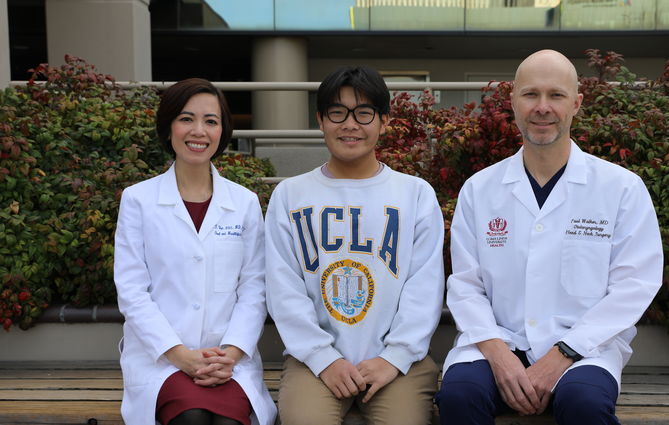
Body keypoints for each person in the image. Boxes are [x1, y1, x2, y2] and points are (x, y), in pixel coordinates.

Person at [435, 50, 664, 425]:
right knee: (459, 397)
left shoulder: (621, 188)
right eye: (531, 94)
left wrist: (563, 353)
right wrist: (498, 354)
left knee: (584, 405)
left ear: (576, 103)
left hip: (584, 351)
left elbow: (634, 284)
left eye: (556, 95)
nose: (543, 107)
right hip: (496, 344)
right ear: (512, 100)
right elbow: (465, 286)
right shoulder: (480, 190)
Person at [264, 65, 445, 425]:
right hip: (314, 362)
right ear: (320, 120)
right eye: (337, 112)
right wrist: (322, 358)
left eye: (364, 113)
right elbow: (283, 288)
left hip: (398, 362)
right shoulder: (290, 195)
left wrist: (394, 357)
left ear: (384, 122)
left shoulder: (415, 194)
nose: (350, 124)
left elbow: (424, 287)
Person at [114, 78, 276, 425]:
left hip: (227, 358)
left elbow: (254, 289)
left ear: (222, 132)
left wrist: (230, 355)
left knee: (229, 422)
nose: (198, 131)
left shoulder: (244, 203)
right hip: (161, 359)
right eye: (186, 119)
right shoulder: (138, 200)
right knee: (192, 418)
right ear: (168, 126)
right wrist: (181, 356)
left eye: (211, 121)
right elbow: (131, 293)